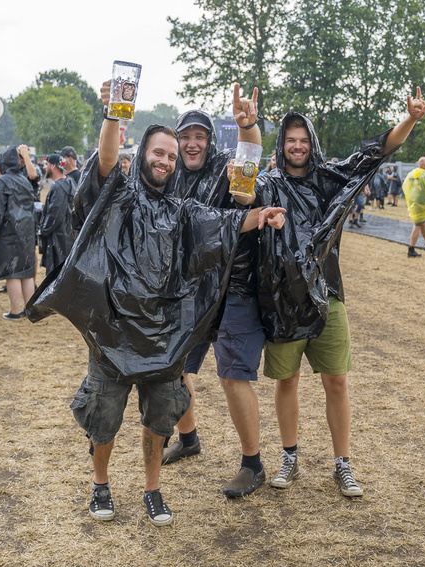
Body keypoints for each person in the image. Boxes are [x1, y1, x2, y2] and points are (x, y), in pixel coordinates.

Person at [26, 81, 285, 526]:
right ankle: (101, 486)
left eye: (170, 154)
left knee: (159, 418)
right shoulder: (120, 195)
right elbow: (106, 161)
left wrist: (260, 216)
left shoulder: (182, 210)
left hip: (163, 338)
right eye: (158, 151)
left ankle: (152, 489)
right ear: (143, 153)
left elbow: (223, 221)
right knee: (104, 415)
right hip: (113, 332)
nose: (165, 159)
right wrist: (113, 113)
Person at [245, 88, 425, 498]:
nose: (296, 146)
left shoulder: (330, 179)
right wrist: (246, 129)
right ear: (282, 144)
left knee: (337, 382)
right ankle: (289, 456)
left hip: (328, 294)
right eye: (290, 140)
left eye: (303, 140)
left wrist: (411, 119)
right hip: (281, 299)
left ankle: (341, 463)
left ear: (312, 143)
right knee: (287, 381)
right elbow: (240, 195)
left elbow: (376, 151)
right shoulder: (268, 184)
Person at [160, 86, 274, 499]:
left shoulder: (226, 167)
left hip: (233, 286)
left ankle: (253, 464)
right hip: (189, 290)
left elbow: (247, 172)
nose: (192, 144)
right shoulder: (169, 176)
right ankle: (188, 439)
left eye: (199, 136)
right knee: (173, 368)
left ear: (209, 141)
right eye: (185, 137)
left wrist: (249, 127)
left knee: (231, 377)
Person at [0, 145, 37, 319]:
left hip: (9, 232)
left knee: (12, 273)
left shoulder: (3, 182)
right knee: (27, 272)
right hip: (27, 232)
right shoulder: (24, 179)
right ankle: (30, 310)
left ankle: (14, 311)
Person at [39, 154, 76, 275]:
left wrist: (44, 230)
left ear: (53, 166)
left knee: (57, 275)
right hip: (67, 236)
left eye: (47, 164)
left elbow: (56, 214)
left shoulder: (60, 187)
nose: (45, 167)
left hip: (59, 239)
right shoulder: (69, 182)